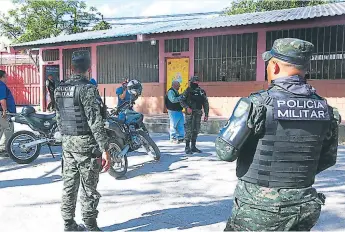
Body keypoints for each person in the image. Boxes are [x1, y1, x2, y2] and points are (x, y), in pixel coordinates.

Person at [215, 38, 340, 231]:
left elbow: (225, 152)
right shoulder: (326, 109)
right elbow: (328, 159)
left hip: (259, 210)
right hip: (304, 207)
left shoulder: (256, 105)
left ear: (273, 67)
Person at [55, 50, 111, 231]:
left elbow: (59, 118)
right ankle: (91, 225)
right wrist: (105, 149)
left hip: (67, 145)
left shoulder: (59, 88)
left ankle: (68, 224)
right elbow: (95, 121)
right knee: (89, 188)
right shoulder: (87, 89)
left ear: (72, 67)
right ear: (89, 67)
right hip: (86, 146)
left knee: (69, 185)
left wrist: (66, 139)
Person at [180, 76, 209, 154]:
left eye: (197, 81)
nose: (196, 82)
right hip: (189, 113)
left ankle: (193, 146)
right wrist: (187, 107)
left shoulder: (201, 91)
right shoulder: (187, 91)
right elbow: (181, 100)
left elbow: (205, 103)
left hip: (198, 113)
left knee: (196, 130)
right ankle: (187, 147)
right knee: (188, 130)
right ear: (192, 81)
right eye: (194, 81)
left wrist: (206, 114)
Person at [0, 70, 15, 157]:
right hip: (3, 112)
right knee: (9, 128)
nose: (7, 78)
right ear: (1, 77)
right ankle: (3, 149)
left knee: (1, 129)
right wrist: (5, 111)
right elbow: (2, 99)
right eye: (5, 76)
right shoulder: (1, 85)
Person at [165, 80, 184, 144]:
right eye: (178, 85)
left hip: (178, 110)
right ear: (175, 85)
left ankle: (181, 137)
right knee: (173, 125)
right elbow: (173, 100)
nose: (179, 86)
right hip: (173, 110)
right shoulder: (170, 91)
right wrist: (180, 97)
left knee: (180, 124)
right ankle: (173, 138)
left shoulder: (176, 91)